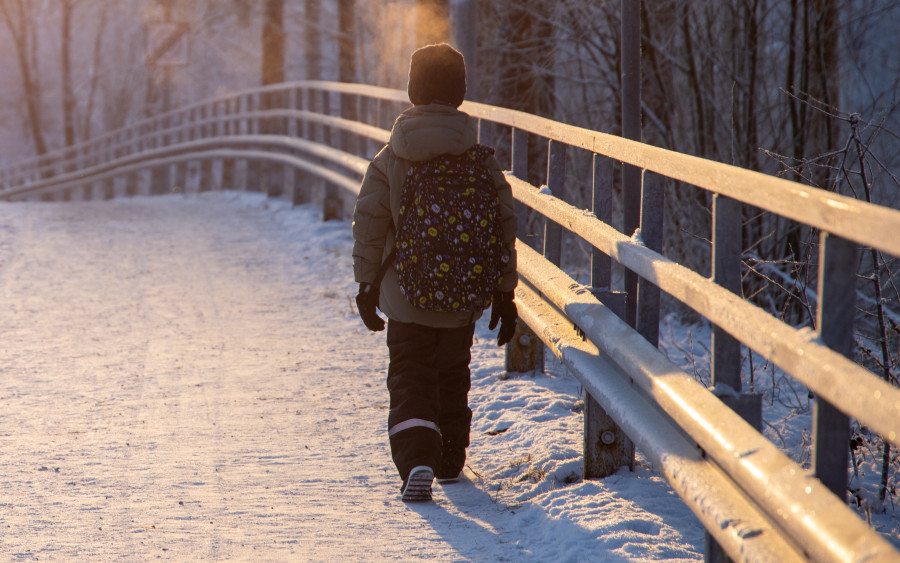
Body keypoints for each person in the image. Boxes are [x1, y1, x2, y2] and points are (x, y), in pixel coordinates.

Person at [351, 43, 519, 502]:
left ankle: (417, 457)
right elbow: (503, 228)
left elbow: (369, 224)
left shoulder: (391, 157)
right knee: (452, 371)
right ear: (460, 95)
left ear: (412, 91)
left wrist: (367, 284)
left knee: (409, 374)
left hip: (405, 294)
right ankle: (449, 458)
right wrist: (505, 293)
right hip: (463, 297)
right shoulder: (481, 159)